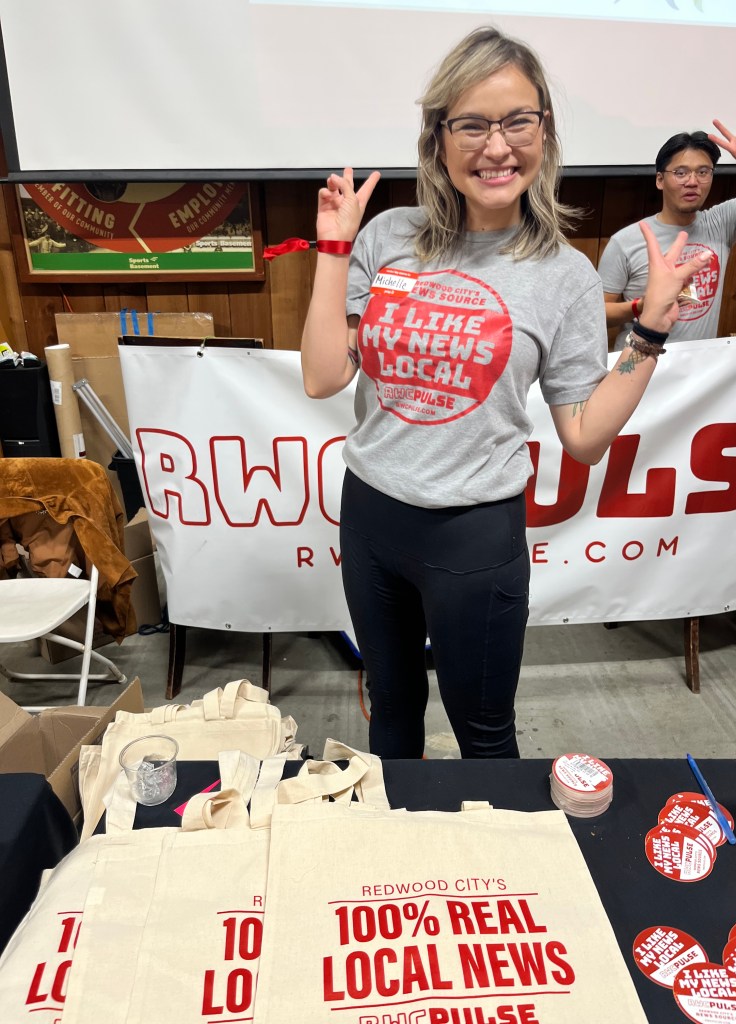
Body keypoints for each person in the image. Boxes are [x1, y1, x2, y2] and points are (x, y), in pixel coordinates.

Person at [301, 26, 710, 760]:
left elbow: (584, 436)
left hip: (474, 538)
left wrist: (648, 330)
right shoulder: (388, 236)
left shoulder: (565, 275)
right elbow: (323, 376)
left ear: (544, 132)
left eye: (518, 121)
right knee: (391, 713)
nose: (497, 147)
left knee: (485, 739)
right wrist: (334, 248)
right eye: (472, 124)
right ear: (438, 140)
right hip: (369, 519)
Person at [599, 125, 736, 342]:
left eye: (703, 172)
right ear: (660, 180)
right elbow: (597, 312)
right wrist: (641, 306)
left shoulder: (721, 222)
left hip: (699, 359)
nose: (692, 182)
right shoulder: (626, 241)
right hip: (641, 358)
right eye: (680, 173)